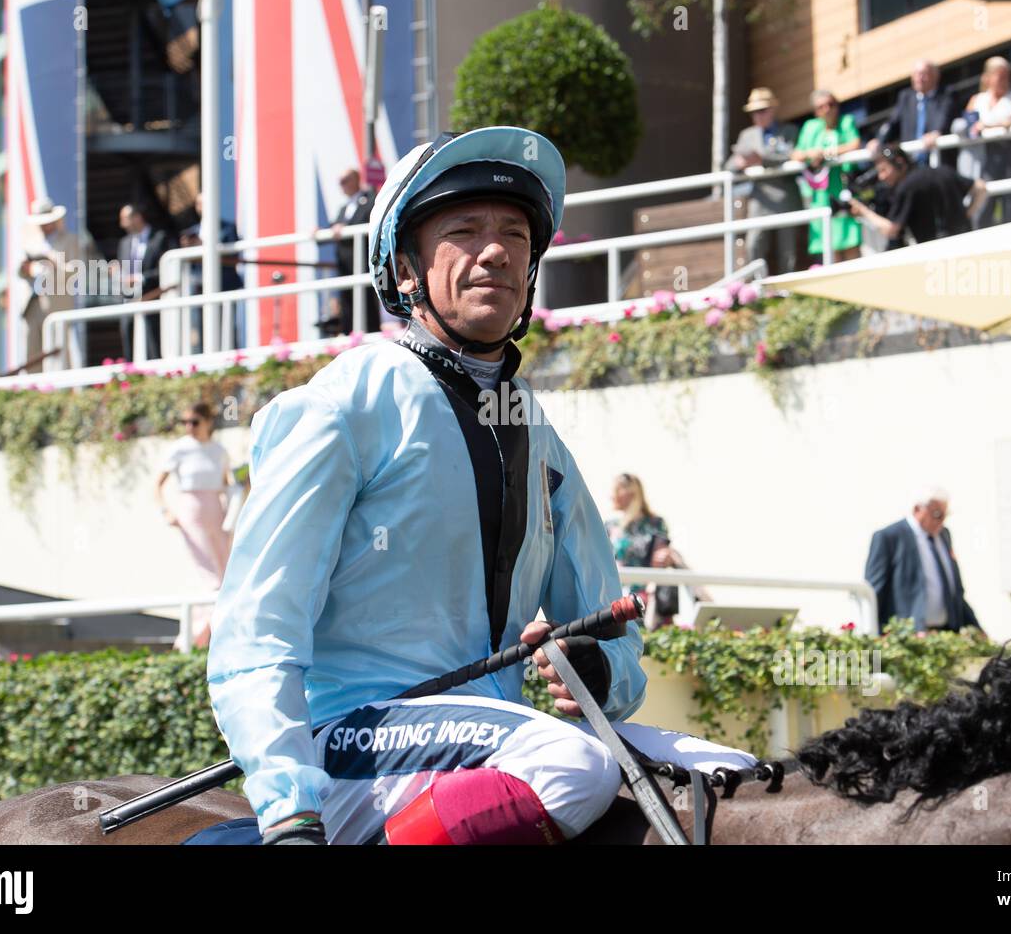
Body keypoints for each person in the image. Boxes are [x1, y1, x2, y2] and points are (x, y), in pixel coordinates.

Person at [205, 126, 756, 847]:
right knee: (570, 765)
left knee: (734, 775)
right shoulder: (340, 406)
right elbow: (255, 636)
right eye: (463, 230)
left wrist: (598, 666)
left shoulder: (533, 427)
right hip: (346, 742)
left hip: (493, 738)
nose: (495, 250)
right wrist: (287, 803)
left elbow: (608, 627)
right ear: (405, 268)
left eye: (515, 235)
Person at [156, 402, 235, 649]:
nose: (189, 427)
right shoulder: (179, 449)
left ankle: (207, 636)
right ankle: (193, 638)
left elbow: (226, 484)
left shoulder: (218, 450)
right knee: (211, 577)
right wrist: (166, 511)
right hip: (191, 510)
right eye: (185, 422)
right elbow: (158, 484)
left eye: (194, 422)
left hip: (216, 511)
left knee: (226, 573)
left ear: (207, 422)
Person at [864, 486, 981, 634]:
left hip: (946, 633)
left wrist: (977, 628)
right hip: (908, 635)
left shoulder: (944, 535)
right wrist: (873, 634)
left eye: (945, 515)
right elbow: (874, 590)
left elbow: (954, 590)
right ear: (917, 509)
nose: (942, 520)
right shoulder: (889, 537)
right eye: (937, 514)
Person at [725, 87, 805, 275]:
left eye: (761, 111)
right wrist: (739, 163)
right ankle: (757, 289)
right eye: (754, 112)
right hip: (760, 199)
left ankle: (789, 291)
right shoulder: (747, 135)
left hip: (785, 197)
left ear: (772, 110)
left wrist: (762, 160)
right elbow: (728, 167)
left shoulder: (789, 131)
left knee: (788, 249)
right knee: (754, 244)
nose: (757, 116)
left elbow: (792, 155)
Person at [847, 145, 985, 249]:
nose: (881, 177)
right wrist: (967, 214)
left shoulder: (906, 188)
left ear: (900, 162)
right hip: (966, 245)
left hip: (934, 254)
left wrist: (862, 211)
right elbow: (980, 187)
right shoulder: (943, 171)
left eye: (884, 170)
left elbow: (891, 230)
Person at [17, 197, 91, 371]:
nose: (44, 226)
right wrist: (26, 269)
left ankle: (60, 391)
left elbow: (77, 269)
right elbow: (21, 272)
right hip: (33, 304)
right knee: (33, 352)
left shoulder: (70, 240)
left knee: (58, 350)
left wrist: (52, 265)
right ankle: (34, 392)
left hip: (56, 303)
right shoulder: (32, 242)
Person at [956, 56, 1011, 228]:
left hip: (1009, 155)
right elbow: (968, 125)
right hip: (983, 157)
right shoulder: (977, 99)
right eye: (1000, 75)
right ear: (988, 77)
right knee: (984, 204)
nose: (1005, 80)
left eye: (1006, 76)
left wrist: (987, 125)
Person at [792, 89, 862, 262]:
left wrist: (828, 153)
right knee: (829, 252)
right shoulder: (810, 127)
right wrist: (812, 154)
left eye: (831, 104)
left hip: (843, 191)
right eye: (822, 107)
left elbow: (855, 143)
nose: (827, 109)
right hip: (821, 196)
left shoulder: (846, 122)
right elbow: (796, 154)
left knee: (851, 247)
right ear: (816, 111)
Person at [180, 193, 247, 351]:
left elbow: (233, 254)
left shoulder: (228, 227)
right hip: (200, 285)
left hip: (225, 284)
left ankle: (233, 357)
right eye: (200, 204)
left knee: (228, 326)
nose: (203, 207)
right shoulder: (192, 232)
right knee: (203, 326)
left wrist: (206, 245)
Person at [867, 59, 957, 165]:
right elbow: (892, 123)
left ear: (935, 76)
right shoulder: (906, 98)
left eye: (924, 74)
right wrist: (879, 140)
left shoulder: (946, 95)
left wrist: (937, 132)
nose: (920, 78)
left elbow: (944, 116)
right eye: (916, 74)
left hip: (936, 158)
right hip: (911, 162)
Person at [116, 203, 172, 361]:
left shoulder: (160, 238)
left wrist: (141, 278)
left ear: (137, 218)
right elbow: (123, 269)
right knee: (128, 335)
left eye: (125, 219)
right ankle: (131, 372)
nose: (122, 224)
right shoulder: (124, 243)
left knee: (152, 339)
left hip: (153, 296)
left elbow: (166, 269)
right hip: (129, 297)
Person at [328, 167, 379, 336]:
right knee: (348, 302)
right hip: (345, 265)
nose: (341, 185)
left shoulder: (370, 200)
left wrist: (345, 228)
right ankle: (350, 336)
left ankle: (371, 335)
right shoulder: (343, 208)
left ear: (356, 180)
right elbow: (334, 228)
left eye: (344, 181)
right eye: (339, 182)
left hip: (363, 262)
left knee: (366, 302)